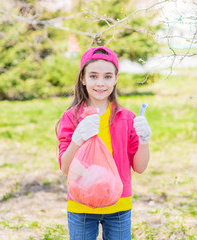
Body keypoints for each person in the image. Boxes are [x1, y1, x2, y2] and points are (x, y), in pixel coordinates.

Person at [57, 46, 152, 240]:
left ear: (116, 78)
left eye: (108, 76)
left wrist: (144, 141)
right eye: (93, 76)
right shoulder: (71, 117)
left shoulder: (127, 118)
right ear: (82, 79)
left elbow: (140, 167)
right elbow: (66, 168)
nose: (100, 83)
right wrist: (77, 138)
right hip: (81, 204)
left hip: (119, 205)